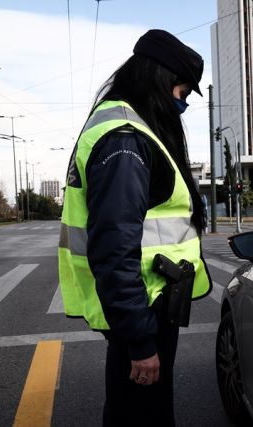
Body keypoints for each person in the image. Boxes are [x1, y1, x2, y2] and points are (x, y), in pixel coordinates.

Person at [57, 29, 211, 427]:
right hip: (145, 308)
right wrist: (140, 342)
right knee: (141, 416)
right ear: (160, 80)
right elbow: (114, 249)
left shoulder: (127, 129)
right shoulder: (126, 139)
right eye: (182, 91)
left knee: (137, 411)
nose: (183, 102)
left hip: (149, 305)